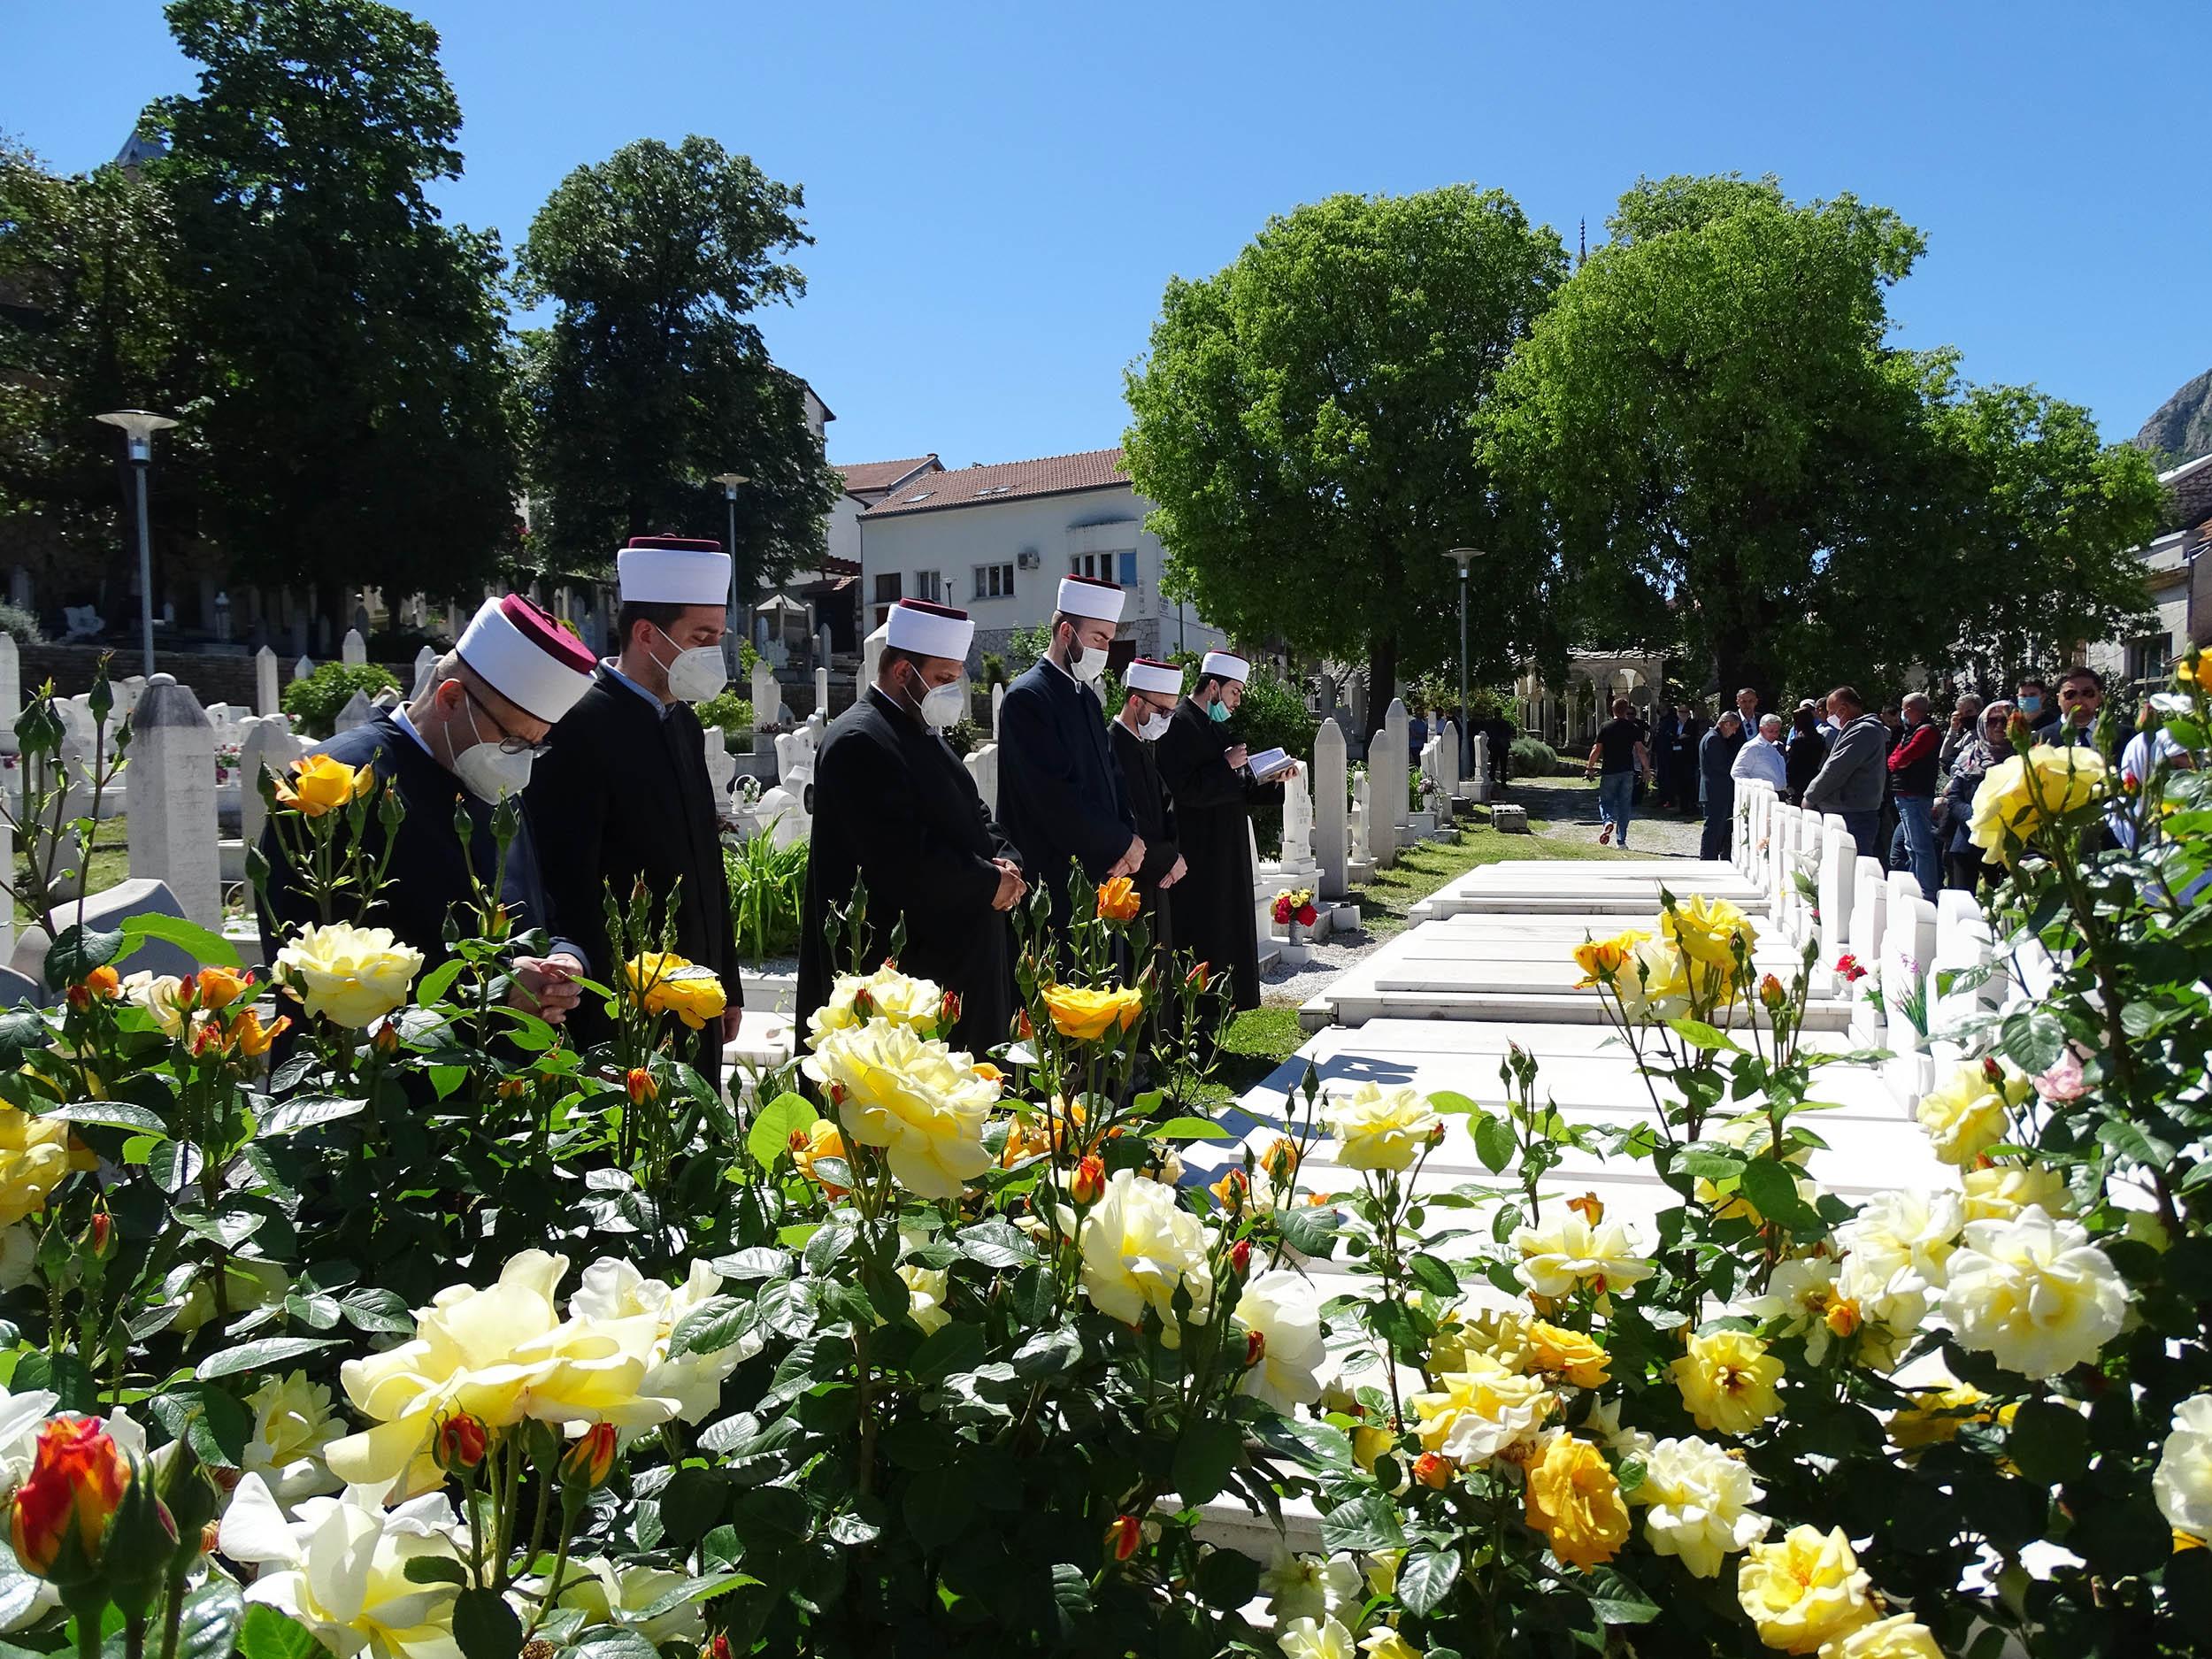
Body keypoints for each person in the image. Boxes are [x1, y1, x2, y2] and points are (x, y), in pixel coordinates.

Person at [255, 595, 595, 1026]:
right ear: (450, 699)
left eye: (534, 745)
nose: (519, 759)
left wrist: (566, 959)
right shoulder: (331, 782)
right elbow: (304, 966)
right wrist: (493, 991)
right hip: (373, 1075)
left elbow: (537, 911)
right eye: (512, 739)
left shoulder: (492, 777)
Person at [526, 536, 742, 1083]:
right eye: (701, 636)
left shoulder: (683, 721)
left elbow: (706, 866)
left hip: (696, 993)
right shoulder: (579, 722)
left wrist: (728, 984)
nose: (713, 652)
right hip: (624, 1002)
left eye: (718, 637)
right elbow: (566, 878)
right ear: (647, 633)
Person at [797, 599, 1026, 1052]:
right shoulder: (860, 740)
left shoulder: (920, 730)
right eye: (942, 679)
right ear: (903, 672)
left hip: (960, 961)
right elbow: (900, 860)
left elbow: (975, 812)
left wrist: (1010, 866)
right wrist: (987, 883)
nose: (951, 690)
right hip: (905, 977)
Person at [995, 576, 1141, 934]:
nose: (1105, 649)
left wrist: (1129, 840)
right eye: (1098, 638)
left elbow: (1113, 779)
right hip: (1055, 882)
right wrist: (1121, 842)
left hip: (1102, 873)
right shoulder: (1027, 698)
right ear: (1065, 632)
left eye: (1109, 639)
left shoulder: (1086, 698)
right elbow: (1055, 799)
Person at [1155, 650, 1294, 1015]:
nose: (1237, 701)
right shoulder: (1178, 726)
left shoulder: (1215, 727)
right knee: (1202, 936)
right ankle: (1196, 1021)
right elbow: (1182, 789)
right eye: (1234, 692)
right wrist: (1225, 765)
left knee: (1226, 934)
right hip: (1197, 853)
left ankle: (1222, 1012)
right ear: (1213, 687)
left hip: (1224, 852)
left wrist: (1270, 779)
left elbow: (1235, 785)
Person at [1107, 657, 1188, 958]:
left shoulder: (1142, 745)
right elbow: (1127, 817)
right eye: (1162, 711)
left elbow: (1166, 806)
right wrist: (1167, 859)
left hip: (1159, 874)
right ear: (1135, 701)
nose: (1167, 719)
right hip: (1134, 881)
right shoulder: (1112, 747)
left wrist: (1176, 857)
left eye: (1172, 711)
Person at [1801, 686, 1887, 856]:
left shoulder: (1863, 731)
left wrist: (1810, 797)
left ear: (1843, 709)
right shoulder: (1854, 730)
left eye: (1831, 712)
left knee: (1851, 867)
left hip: (1853, 813)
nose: (1829, 717)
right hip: (1849, 810)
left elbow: (1836, 770)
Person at [1943, 701, 2013, 891]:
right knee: (1964, 907)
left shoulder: (2024, 757)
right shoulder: (1970, 756)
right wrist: (1979, 818)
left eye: (2004, 720)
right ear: (1983, 724)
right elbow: (1954, 798)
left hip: (2010, 846)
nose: (1998, 726)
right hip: (1968, 841)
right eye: (1992, 721)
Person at [1886, 691, 1941, 900]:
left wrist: (1897, 762)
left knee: (1921, 845)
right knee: (1911, 845)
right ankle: (1914, 886)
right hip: (1905, 793)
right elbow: (1894, 758)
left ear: (1908, 709)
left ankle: (1926, 892)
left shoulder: (1926, 732)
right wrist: (1897, 762)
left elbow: (1904, 757)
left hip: (1916, 793)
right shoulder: (1911, 731)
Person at [1582, 697, 1649, 848]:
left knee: (1606, 801)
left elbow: (1596, 749)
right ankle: (1621, 841)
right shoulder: (1633, 728)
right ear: (1626, 711)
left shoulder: (1605, 727)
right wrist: (1646, 769)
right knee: (1625, 805)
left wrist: (1589, 768)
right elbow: (1640, 751)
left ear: (1612, 710)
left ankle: (1607, 821)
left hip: (1609, 770)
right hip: (1627, 771)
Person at [1698, 710, 1747, 860]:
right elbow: (1721, 765)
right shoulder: (1713, 739)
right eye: (1734, 728)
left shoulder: (1714, 737)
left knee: (1719, 827)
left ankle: (1713, 856)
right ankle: (1707, 858)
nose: (1734, 733)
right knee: (1713, 828)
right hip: (1715, 790)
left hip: (1716, 790)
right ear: (1726, 724)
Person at [2038, 664, 2109, 754]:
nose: (2079, 700)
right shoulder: (2040, 740)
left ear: (2099, 698)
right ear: (2058, 699)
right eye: (2070, 694)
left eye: (2087, 693)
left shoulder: (2125, 737)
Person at [1732, 712, 1788, 794]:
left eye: (1777, 731)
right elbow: (1737, 772)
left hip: (1779, 794)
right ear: (1761, 729)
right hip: (1762, 795)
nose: (1775, 735)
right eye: (1771, 731)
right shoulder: (1752, 747)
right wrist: (1755, 790)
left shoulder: (1777, 746)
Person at [1784, 705, 1828, 804]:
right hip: (1814, 776)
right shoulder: (1820, 738)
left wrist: (1789, 783)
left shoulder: (1798, 741)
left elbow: (1791, 764)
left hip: (1798, 781)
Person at [1939, 694, 1984, 772]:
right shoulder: (1968, 735)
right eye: (1961, 714)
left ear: (1980, 711)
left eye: (1969, 712)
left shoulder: (1990, 734)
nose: (1965, 716)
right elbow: (1944, 759)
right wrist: (1953, 730)